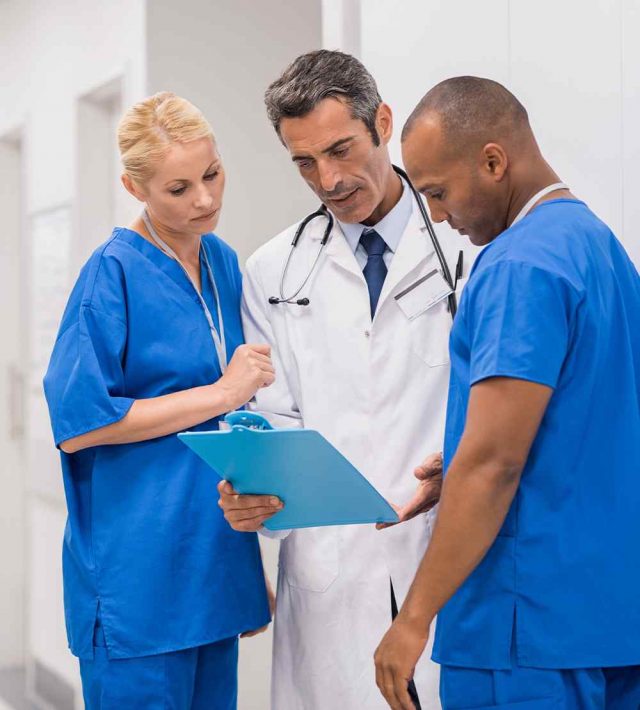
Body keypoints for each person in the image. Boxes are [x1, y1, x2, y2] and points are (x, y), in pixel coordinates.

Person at [374, 76, 640, 710]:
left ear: (493, 161)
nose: (435, 214)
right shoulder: (600, 249)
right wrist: (460, 462)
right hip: (608, 620)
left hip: (524, 631)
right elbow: (589, 422)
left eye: (437, 192)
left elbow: (495, 465)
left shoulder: (520, 263)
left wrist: (411, 620)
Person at [217, 50, 471, 710]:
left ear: (382, 122)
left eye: (340, 149)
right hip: (334, 574)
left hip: (446, 556)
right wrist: (257, 495)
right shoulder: (274, 272)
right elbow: (273, 421)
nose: (328, 179)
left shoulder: (465, 244)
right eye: (305, 162)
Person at [43, 92, 276, 709]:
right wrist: (222, 390)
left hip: (211, 566)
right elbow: (80, 424)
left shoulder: (223, 263)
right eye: (178, 189)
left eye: (211, 174)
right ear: (134, 186)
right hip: (137, 582)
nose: (204, 199)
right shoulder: (111, 274)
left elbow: (230, 426)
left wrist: (241, 567)